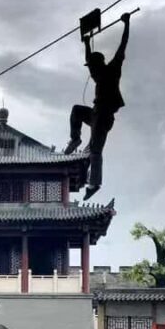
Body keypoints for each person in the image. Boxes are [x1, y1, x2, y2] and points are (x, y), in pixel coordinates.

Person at [65, 12, 131, 201]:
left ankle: (94, 183)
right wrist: (86, 42)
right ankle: (75, 139)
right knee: (77, 110)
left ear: (98, 62)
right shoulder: (97, 72)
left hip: (104, 116)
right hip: (95, 113)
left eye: (92, 65)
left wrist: (126, 24)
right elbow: (89, 59)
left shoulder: (112, 69)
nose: (90, 69)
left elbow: (123, 46)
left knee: (95, 150)